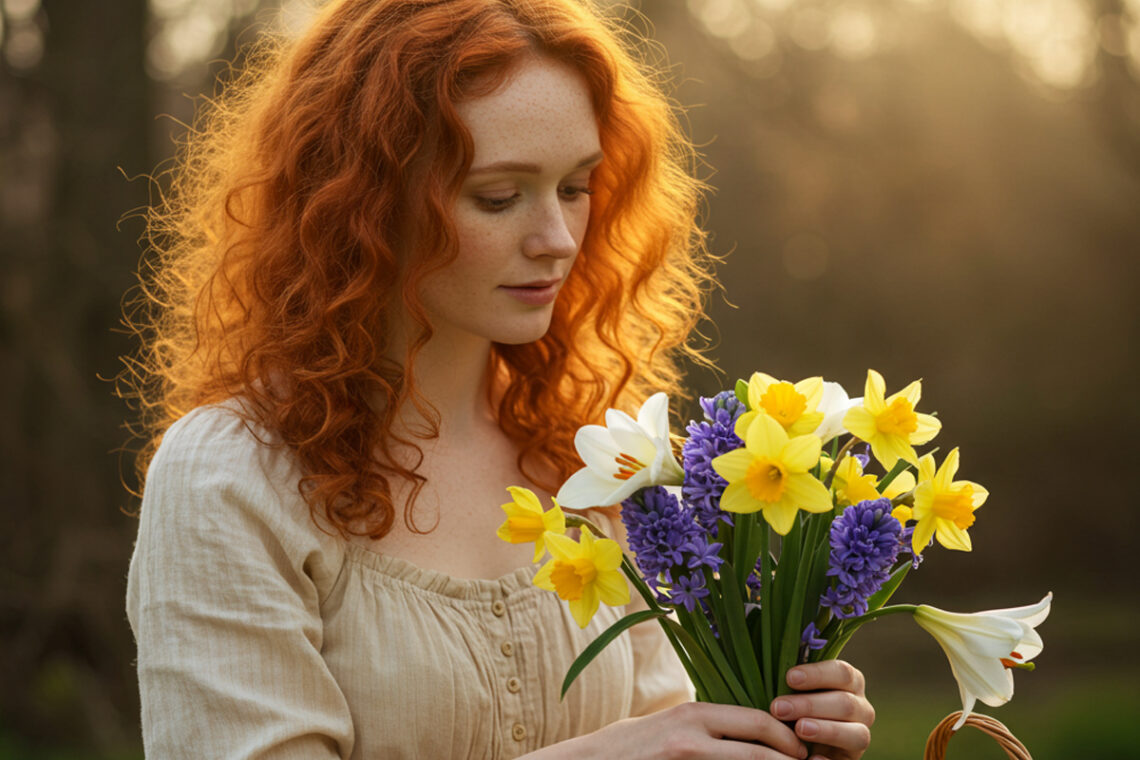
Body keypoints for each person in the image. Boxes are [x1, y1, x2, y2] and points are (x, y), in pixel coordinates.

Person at [123, 0, 875, 758]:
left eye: (576, 187)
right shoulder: (232, 478)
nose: (556, 240)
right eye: (499, 196)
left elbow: (674, 733)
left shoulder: (593, 461)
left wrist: (775, 728)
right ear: (363, 203)